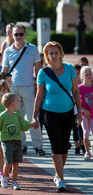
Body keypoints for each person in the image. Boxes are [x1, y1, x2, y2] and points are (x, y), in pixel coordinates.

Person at [33, 41, 82, 192]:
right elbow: (39, 95)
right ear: (47, 56)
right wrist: (34, 116)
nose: (53, 56)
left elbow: (75, 91)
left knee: (65, 145)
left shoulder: (69, 69)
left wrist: (79, 111)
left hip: (68, 112)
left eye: (55, 52)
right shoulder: (44, 72)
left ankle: (57, 173)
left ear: (60, 53)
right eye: (50, 53)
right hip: (49, 113)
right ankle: (61, 179)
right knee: (56, 146)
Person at [1, 24, 45, 156]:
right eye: (16, 34)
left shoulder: (32, 49)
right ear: (12, 35)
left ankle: (38, 146)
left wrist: (39, 85)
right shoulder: (8, 51)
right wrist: (4, 89)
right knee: (17, 118)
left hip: (29, 87)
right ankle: (22, 145)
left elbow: (38, 68)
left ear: (25, 35)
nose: (18, 37)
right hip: (13, 88)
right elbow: (5, 71)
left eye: (21, 34)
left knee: (33, 117)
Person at [0, 93, 38, 190]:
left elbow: (24, 124)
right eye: (17, 101)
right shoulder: (3, 116)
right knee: (8, 162)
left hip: (17, 142)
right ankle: (4, 176)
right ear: (12, 104)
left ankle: (15, 181)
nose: (19, 103)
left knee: (16, 162)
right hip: (7, 142)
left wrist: (31, 124)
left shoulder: (17, 115)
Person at [78, 66, 93, 160]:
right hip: (84, 114)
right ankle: (87, 151)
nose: (88, 76)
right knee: (86, 132)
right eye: (86, 74)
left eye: (90, 74)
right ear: (82, 76)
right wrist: (84, 110)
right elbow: (76, 103)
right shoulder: (80, 87)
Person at [72, 64, 85, 155]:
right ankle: (76, 146)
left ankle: (83, 145)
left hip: (81, 111)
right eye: (75, 73)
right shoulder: (71, 84)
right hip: (73, 110)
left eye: (78, 73)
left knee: (82, 130)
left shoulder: (82, 85)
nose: (77, 76)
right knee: (75, 130)